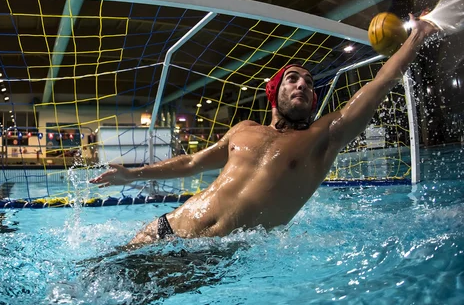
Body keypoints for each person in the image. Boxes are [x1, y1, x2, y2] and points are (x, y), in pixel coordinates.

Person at [89, 13, 439, 247]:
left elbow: (377, 85)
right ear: (275, 92)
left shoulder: (323, 136)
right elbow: (193, 162)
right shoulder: (244, 128)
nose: (302, 85)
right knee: (86, 283)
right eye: (292, 78)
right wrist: (132, 174)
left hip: (209, 255)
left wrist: (417, 36)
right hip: (165, 226)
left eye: (308, 83)